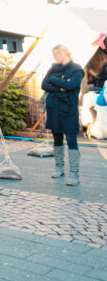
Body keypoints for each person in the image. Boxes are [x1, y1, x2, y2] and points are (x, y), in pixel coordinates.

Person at [42, 44, 83, 186]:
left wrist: (53, 80)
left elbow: (71, 86)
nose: (55, 58)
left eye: (57, 55)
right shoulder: (53, 68)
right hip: (54, 108)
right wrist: (61, 86)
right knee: (57, 138)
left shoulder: (76, 69)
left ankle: (74, 174)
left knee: (71, 140)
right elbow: (43, 84)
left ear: (65, 53)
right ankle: (59, 168)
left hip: (69, 109)